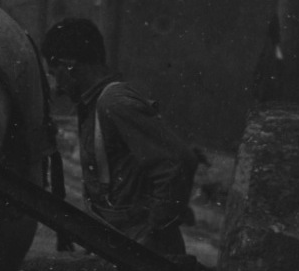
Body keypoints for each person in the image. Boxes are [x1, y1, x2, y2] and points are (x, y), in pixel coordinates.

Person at [43, 16, 198, 257]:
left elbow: (178, 161)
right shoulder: (93, 106)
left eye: (55, 73)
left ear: (70, 65)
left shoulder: (113, 103)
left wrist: (152, 236)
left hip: (141, 254)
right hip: (119, 247)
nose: (57, 87)